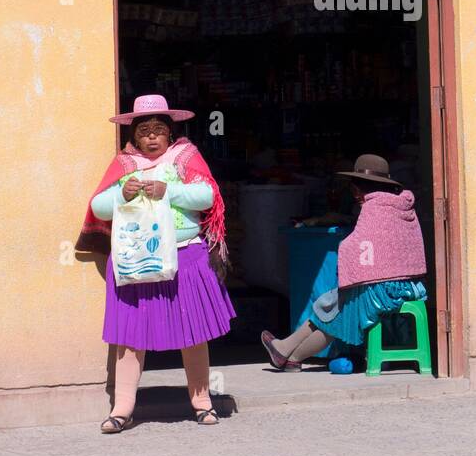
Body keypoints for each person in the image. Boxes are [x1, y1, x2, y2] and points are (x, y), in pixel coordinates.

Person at [78, 94, 235, 431]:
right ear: (134, 136)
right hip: (138, 262)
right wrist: (123, 193)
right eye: (144, 130)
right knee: (130, 338)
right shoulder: (124, 166)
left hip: (185, 256)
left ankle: (202, 403)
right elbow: (100, 207)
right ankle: (121, 409)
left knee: (193, 334)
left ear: (169, 134)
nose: (151, 137)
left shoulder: (185, 159)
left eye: (158, 130)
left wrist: (170, 191)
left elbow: (207, 196)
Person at [261, 154, 427, 369]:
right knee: (332, 302)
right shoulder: (402, 206)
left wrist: (346, 248)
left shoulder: (374, 208)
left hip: (386, 289)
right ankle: (286, 352)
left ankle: (289, 354)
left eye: (354, 188)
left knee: (337, 309)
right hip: (408, 285)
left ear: (361, 188)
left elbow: (356, 246)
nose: (354, 194)